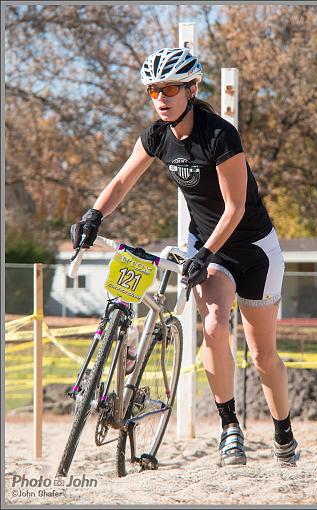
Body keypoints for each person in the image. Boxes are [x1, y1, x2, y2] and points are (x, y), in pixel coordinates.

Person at [71, 47, 298, 467]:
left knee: (262, 352)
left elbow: (235, 207)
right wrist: (94, 214)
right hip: (210, 250)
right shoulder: (157, 136)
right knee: (213, 325)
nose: (161, 98)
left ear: (191, 89)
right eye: (154, 90)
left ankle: (284, 433)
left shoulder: (219, 135)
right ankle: (230, 428)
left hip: (254, 249)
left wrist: (208, 249)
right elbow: (122, 181)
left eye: (171, 88)